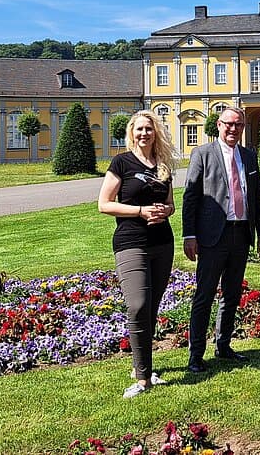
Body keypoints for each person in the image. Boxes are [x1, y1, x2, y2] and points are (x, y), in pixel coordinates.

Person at [182, 106, 260, 373]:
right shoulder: (202, 154)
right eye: (229, 124)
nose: (234, 129)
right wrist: (189, 234)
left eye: (239, 125)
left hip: (241, 233)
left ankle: (223, 345)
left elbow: (257, 197)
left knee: (231, 294)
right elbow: (190, 196)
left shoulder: (248, 156)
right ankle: (196, 355)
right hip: (212, 236)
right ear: (218, 125)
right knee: (204, 295)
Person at [97, 109, 177, 398]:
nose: (144, 134)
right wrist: (140, 211)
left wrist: (164, 211)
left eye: (149, 129)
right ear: (132, 133)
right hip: (131, 241)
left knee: (151, 309)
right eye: (139, 129)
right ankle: (143, 379)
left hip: (162, 242)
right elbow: (104, 204)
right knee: (138, 305)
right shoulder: (122, 162)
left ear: (156, 133)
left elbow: (170, 204)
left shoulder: (163, 165)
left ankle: (142, 366)